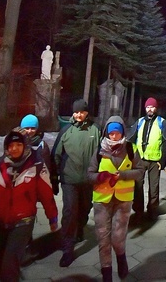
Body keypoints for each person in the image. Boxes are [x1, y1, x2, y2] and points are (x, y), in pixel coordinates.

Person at [0, 130, 58, 281]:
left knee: (10, 262)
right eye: (11, 145)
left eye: (18, 145)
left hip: (24, 221)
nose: (14, 148)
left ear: (25, 146)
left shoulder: (37, 166)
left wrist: (52, 217)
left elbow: (47, 194)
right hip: (0, 221)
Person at [88, 116, 145, 282]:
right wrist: (100, 177)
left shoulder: (130, 149)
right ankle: (106, 271)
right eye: (111, 133)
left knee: (117, 237)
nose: (114, 136)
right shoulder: (99, 150)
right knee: (102, 237)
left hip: (123, 200)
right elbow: (89, 174)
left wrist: (124, 175)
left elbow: (140, 171)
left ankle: (121, 257)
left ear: (122, 133)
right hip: (102, 200)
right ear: (106, 133)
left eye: (117, 133)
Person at [52, 99, 101, 267]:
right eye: (76, 112)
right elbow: (56, 155)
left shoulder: (95, 130)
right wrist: (54, 178)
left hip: (88, 180)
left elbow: (102, 154)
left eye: (82, 112)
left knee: (85, 208)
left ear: (87, 112)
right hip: (69, 180)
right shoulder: (66, 131)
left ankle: (80, 229)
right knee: (70, 212)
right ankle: (67, 248)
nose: (78, 114)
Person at [128, 97, 166, 222]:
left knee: (154, 187)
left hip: (155, 160)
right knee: (138, 186)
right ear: (145, 108)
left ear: (156, 108)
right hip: (140, 159)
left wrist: (163, 161)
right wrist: (131, 157)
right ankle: (138, 210)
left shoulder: (162, 122)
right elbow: (130, 139)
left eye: (152, 107)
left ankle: (152, 210)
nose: (150, 109)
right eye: (148, 107)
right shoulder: (140, 121)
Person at [17, 114, 56, 192]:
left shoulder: (42, 145)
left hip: (35, 183)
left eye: (33, 128)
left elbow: (48, 166)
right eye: (27, 128)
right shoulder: (16, 143)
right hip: (19, 182)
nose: (29, 131)